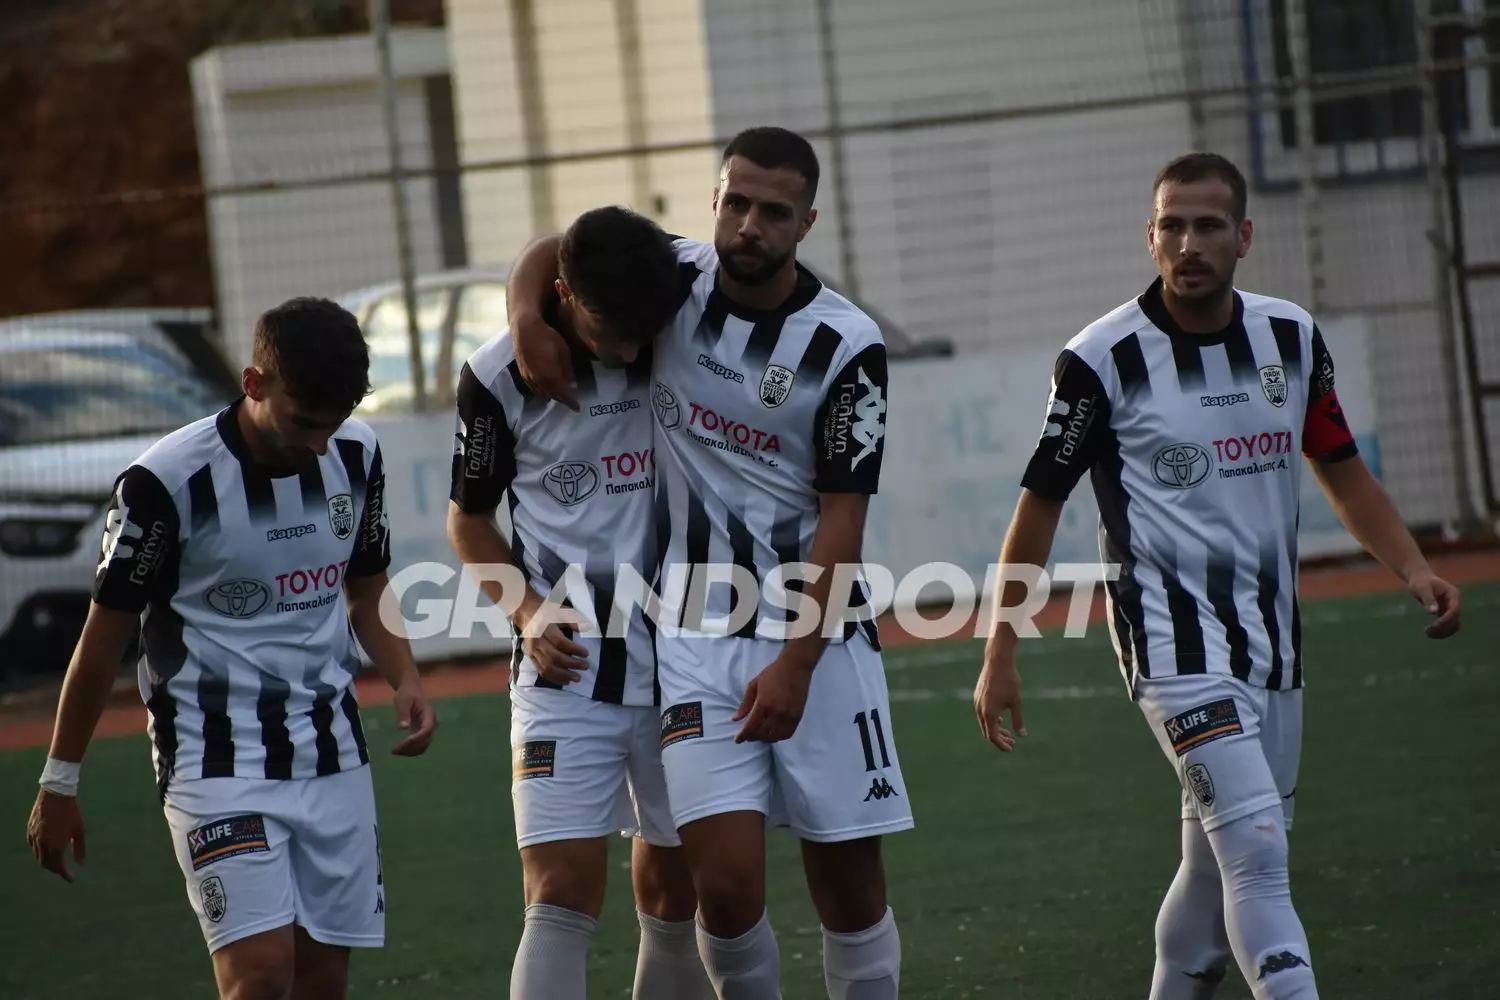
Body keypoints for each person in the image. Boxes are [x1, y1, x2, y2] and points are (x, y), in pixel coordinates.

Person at [973, 152, 1462, 1000]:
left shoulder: (1291, 337)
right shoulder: (1099, 360)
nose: (1187, 243)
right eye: (1171, 226)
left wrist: (1413, 567)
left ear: (1243, 236)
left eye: (1207, 226)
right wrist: (1000, 650)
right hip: (1172, 648)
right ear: (1150, 236)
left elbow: (1341, 468)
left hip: (1273, 646)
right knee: (1259, 854)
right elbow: (1040, 503)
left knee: (1211, 872)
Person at [505, 126, 911, 999]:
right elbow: (556, 249)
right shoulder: (675, 278)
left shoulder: (846, 344)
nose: (748, 226)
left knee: (849, 887)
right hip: (693, 636)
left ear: (806, 222)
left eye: (774, 212)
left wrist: (798, 661)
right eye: (736, 204)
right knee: (723, 893)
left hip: (819, 640)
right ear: (716, 201)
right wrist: (526, 319)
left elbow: (845, 516)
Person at [26, 297, 438, 1000]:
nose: (320, 444)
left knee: (321, 979)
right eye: (303, 422)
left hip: (332, 751)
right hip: (213, 758)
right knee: (259, 975)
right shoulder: (164, 483)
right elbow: (103, 637)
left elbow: (367, 585)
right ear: (254, 383)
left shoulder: (357, 452)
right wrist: (60, 781)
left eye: (334, 422)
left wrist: (406, 677)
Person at [447, 205, 712, 1000]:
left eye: (640, 334)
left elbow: (569, 245)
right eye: (611, 333)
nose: (629, 350)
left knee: (679, 890)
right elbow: (468, 522)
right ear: (565, 295)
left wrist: (526, 305)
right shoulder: (498, 377)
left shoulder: (666, 314)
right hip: (567, 668)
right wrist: (528, 612)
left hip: (687, 659)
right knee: (559, 894)